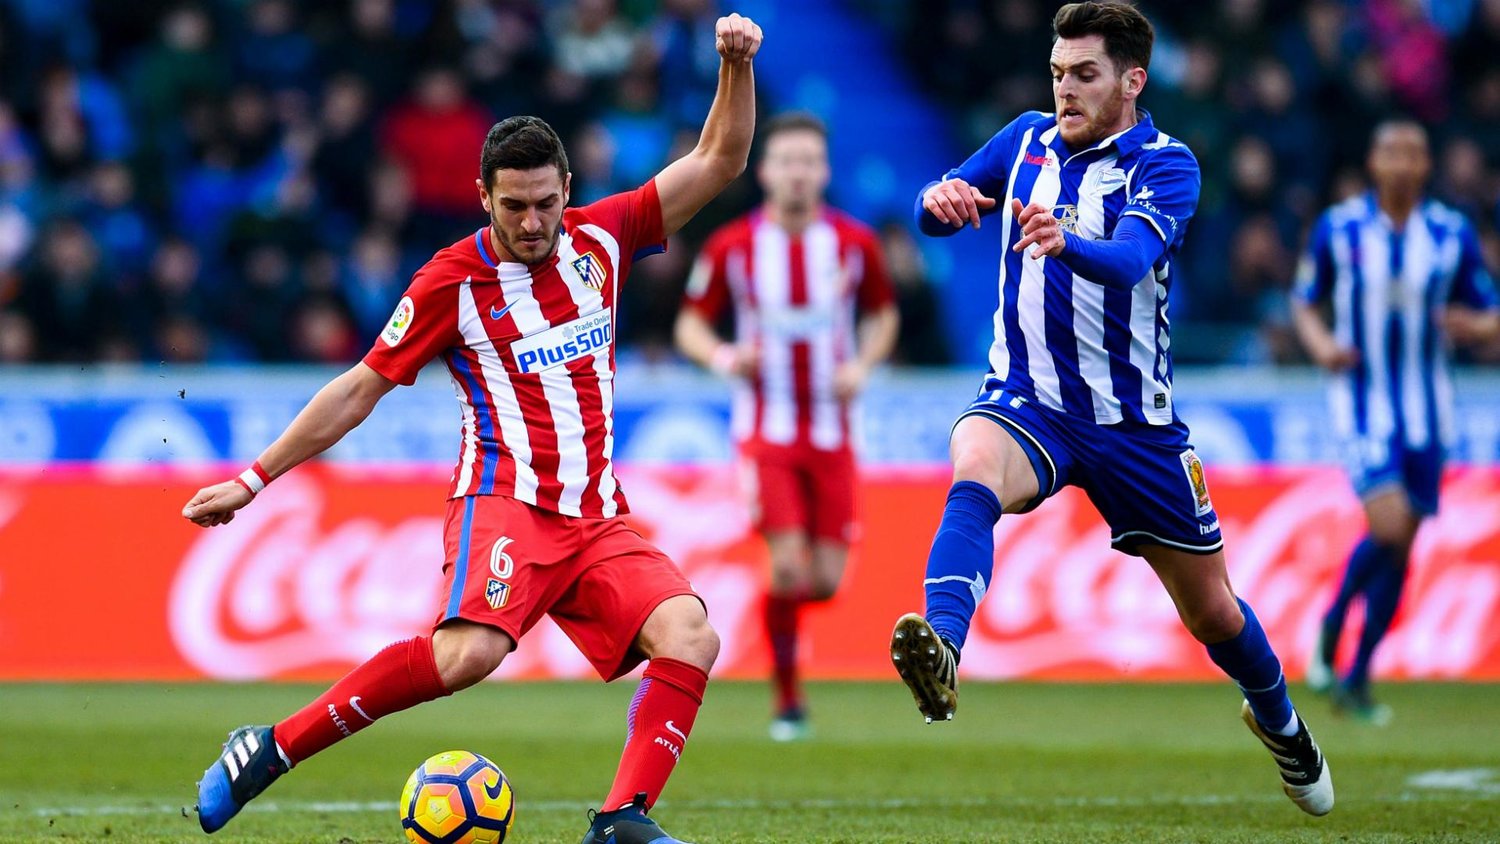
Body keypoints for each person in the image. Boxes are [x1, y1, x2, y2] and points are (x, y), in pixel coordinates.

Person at [181, 13, 763, 843]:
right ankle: (270, 748)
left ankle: (620, 820)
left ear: (568, 188)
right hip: (504, 503)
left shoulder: (605, 236)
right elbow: (359, 388)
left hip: (595, 515)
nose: (532, 224)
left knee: (690, 634)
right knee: (469, 656)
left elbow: (720, 159)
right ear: (484, 196)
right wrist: (253, 479)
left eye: (547, 204)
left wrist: (734, 65)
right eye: (514, 206)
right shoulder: (450, 283)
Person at [886, 0, 1334, 817]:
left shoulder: (1167, 165)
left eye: (1085, 74)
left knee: (1213, 611)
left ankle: (1281, 722)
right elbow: (935, 202)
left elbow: (1130, 260)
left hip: (1135, 427)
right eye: (1058, 73)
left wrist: (1068, 241)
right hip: (1029, 400)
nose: (1065, 89)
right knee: (975, 463)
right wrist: (938, 200)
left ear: (1132, 81)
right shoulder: (1023, 139)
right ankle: (943, 650)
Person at [674, 112, 899, 741]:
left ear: (824, 171)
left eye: (809, 161)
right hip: (765, 433)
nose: (798, 173)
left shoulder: (855, 244)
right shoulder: (732, 246)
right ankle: (787, 699)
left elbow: (883, 316)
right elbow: (690, 324)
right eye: (786, 161)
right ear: (765, 171)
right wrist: (725, 357)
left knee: (824, 581)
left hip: (833, 432)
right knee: (789, 570)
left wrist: (863, 365)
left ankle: (776, 619)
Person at [1293, 119, 1500, 725]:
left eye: (1414, 153)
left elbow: (1490, 310)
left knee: (1402, 546)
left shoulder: (1450, 232)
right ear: (1374, 162)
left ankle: (1357, 678)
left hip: (1429, 411)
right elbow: (1304, 300)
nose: (1403, 162)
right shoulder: (1340, 227)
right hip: (1362, 401)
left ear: (1427, 165)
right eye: (1392, 152)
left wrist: (1475, 326)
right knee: (1386, 528)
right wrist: (1322, 346)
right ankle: (1334, 623)